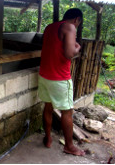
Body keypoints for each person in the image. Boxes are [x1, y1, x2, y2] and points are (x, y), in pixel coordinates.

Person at [39, 8, 84, 156]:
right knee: (67, 112)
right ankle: (69, 146)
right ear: (76, 19)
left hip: (44, 75)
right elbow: (69, 54)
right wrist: (77, 47)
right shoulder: (69, 27)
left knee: (48, 107)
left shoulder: (50, 27)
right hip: (59, 78)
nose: (76, 27)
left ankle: (48, 138)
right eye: (78, 24)